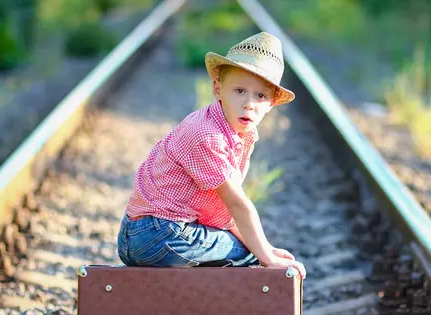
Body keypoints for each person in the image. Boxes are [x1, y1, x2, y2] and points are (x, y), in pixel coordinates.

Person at [116, 31, 306, 279]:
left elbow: (225, 213)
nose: (249, 103)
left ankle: (188, 296)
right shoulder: (207, 135)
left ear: (271, 104)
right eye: (239, 91)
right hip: (160, 234)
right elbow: (237, 203)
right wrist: (266, 257)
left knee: (252, 248)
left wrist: (265, 248)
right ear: (218, 89)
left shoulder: (235, 133)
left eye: (260, 96)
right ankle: (205, 308)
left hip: (147, 234)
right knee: (250, 255)